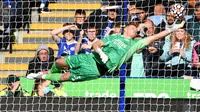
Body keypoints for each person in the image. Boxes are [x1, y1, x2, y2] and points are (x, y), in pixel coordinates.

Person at [27, 21, 185, 82]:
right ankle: (46, 72)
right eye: (132, 27)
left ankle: (42, 75)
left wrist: (170, 29)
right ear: (126, 28)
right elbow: (97, 43)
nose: (134, 30)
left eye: (136, 29)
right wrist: (101, 53)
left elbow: (154, 37)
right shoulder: (114, 37)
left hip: (96, 69)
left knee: (63, 77)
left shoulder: (134, 44)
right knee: (59, 62)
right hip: (90, 57)